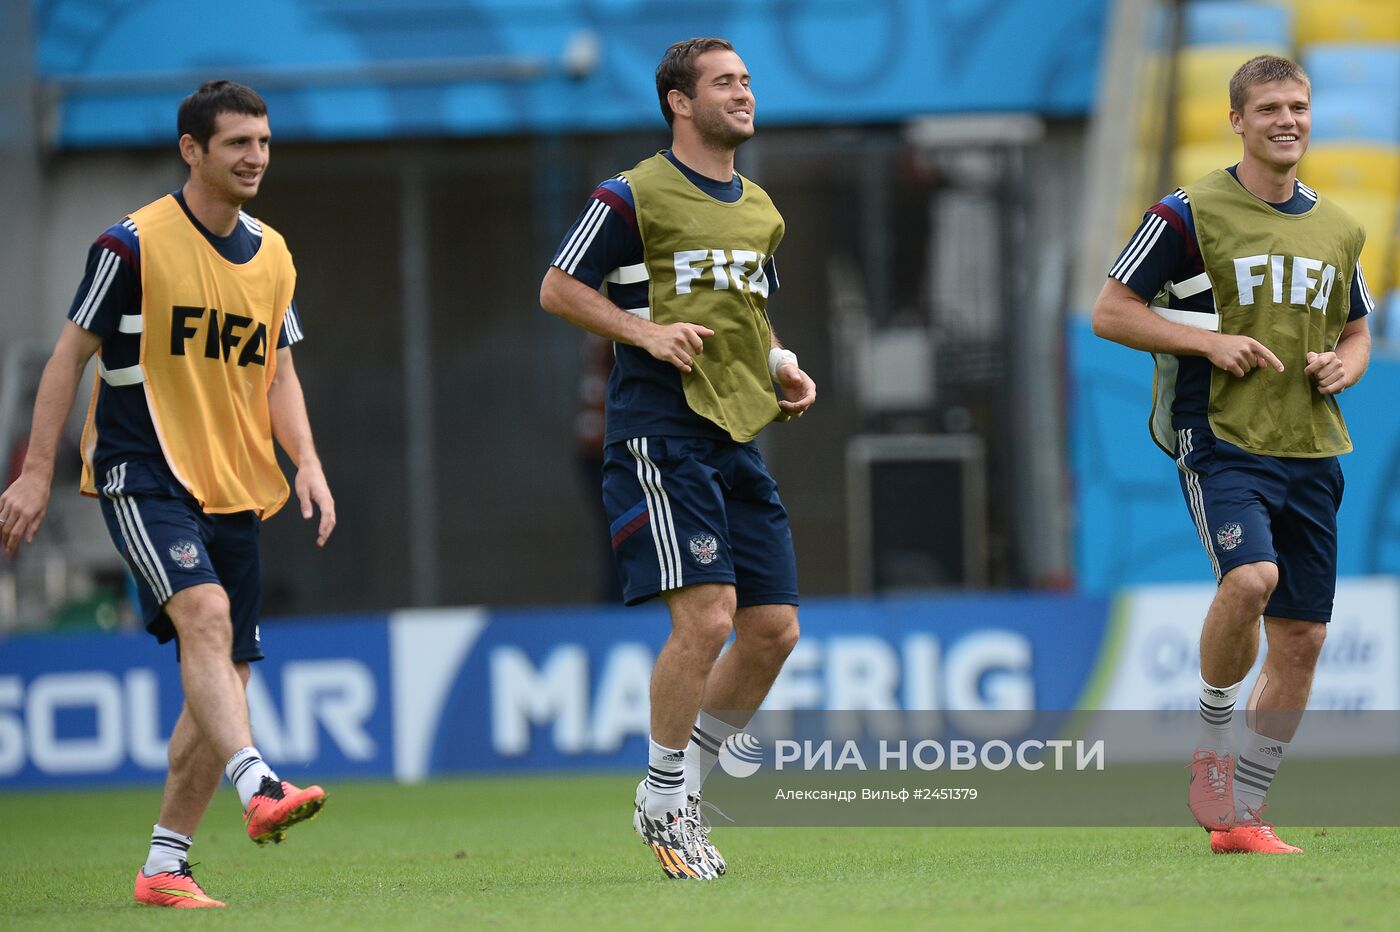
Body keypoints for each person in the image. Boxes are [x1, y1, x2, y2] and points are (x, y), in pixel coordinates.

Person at [0, 80, 336, 906]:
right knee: (208, 621)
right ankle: (259, 783)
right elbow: (64, 361)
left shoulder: (274, 253)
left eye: (263, 141)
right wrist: (37, 473)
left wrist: (309, 463)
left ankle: (164, 866)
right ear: (193, 150)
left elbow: (280, 373)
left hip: (235, 485)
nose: (256, 156)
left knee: (222, 672)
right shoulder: (132, 246)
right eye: (237, 144)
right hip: (141, 471)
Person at [540, 37, 816, 880]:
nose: (743, 93)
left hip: (738, 433)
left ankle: (681, 789)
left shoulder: (761, 207)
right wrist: (646, 331)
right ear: (679, 103)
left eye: (746, 80)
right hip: (658, 432)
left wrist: (780, 365)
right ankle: (666, 798)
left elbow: (745, 318)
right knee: (707, 616)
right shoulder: (631, 194)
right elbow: (559, 287)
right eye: (724, 82)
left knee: (773, 632)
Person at [1092, 55, 1373, 854]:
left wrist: (1342, 366)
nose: (1288, 120)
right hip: (1220, 437)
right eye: (1270, 108)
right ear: (1238, 121)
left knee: (1304, 639)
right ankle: (1212, 743)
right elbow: (1111, 311)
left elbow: (1356, 329)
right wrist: (1205, 344)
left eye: (1300, 106)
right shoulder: (1185, 214)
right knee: (1252, 578)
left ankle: (1243, 816)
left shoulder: (1339, 226)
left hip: (1312, 445)